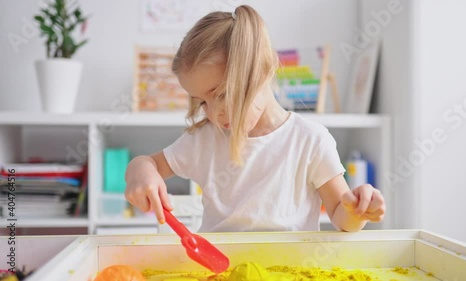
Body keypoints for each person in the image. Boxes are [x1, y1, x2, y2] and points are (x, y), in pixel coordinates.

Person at [125, 5, 385, 233]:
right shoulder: (204, 139)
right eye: (203, 101)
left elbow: (341, 215)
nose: (215, 113)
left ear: (261, 71)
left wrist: (357, 210)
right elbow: (146, 163)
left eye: (223, 93)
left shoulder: (310, 140)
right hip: (220, 272)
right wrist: (141, 173)